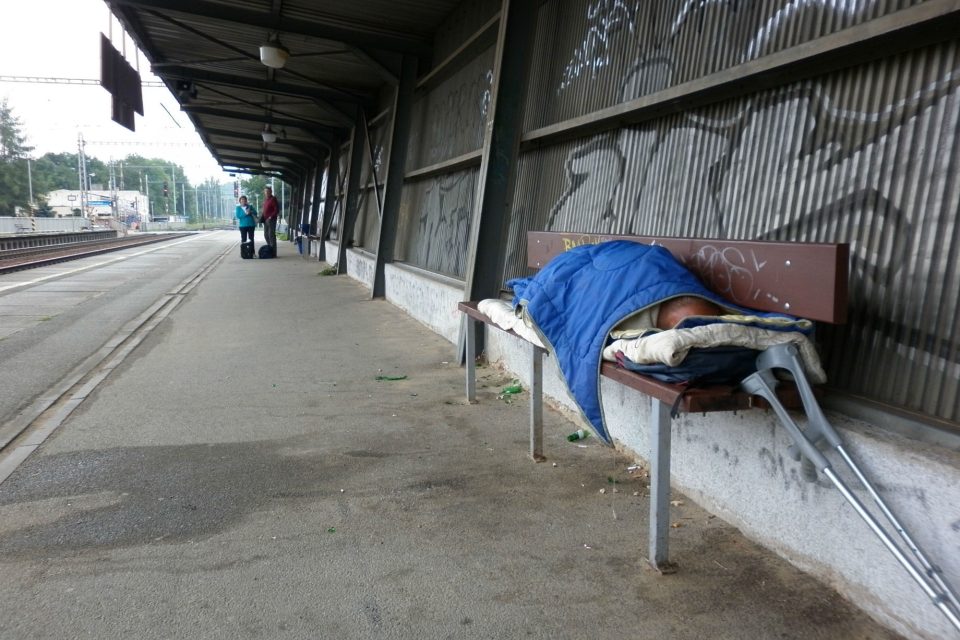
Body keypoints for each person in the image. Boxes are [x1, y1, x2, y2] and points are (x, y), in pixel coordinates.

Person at [261, 186, 279, 253]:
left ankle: (273, 252)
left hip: (271, 219)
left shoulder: (273, 199)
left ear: (271, 192)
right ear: (264, 192)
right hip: (265, 220)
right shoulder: (265, 200)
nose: (266, 193)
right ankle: (270, 248)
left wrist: (271, 216)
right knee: (266, 235)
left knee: (271, 235)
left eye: (268, 191)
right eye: (265, 191)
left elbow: (276, 210)